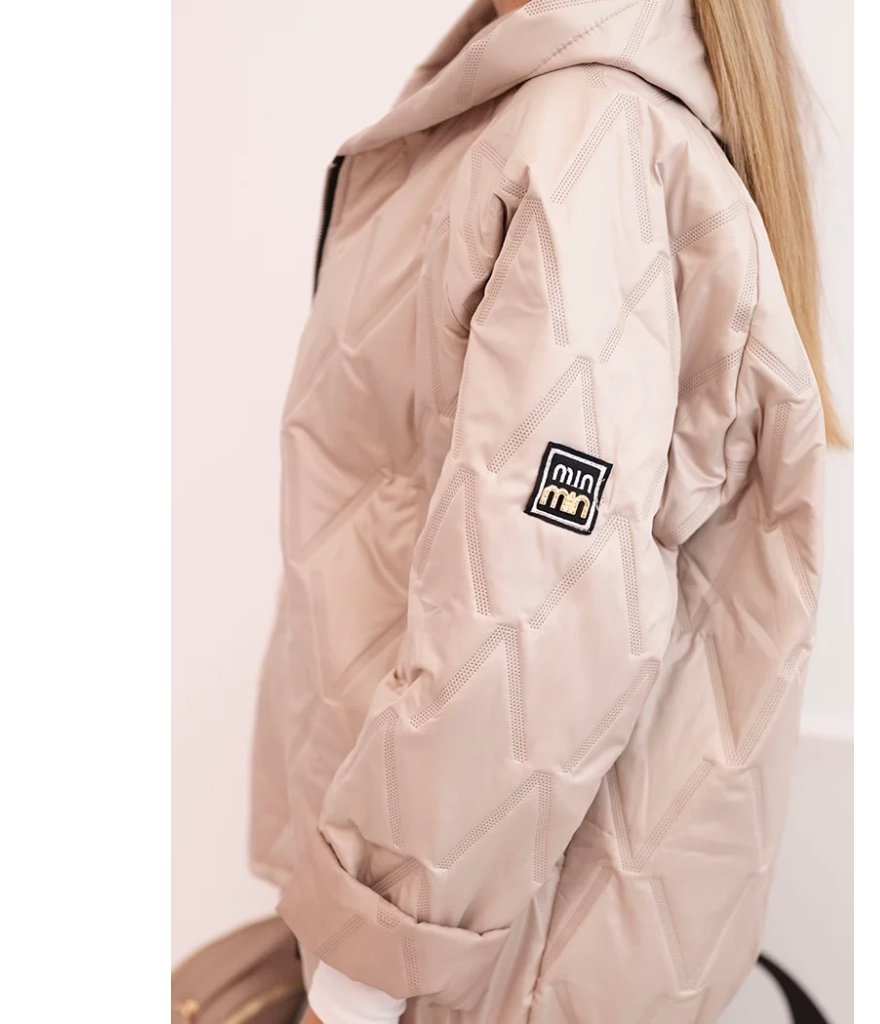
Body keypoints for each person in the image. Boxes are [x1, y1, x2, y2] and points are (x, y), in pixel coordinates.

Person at [247, 0, 840, 1021]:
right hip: (475, 933)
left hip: (481, 966)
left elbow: (533, 625)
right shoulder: (556, 116)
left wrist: (367, 968)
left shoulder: (586, 138)